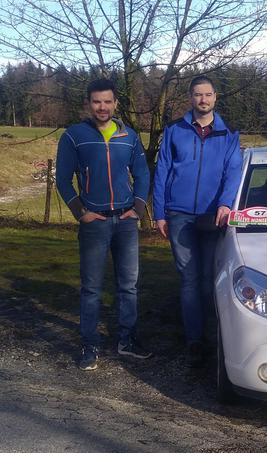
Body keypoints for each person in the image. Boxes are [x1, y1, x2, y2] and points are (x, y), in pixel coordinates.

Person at [56, 78, 152, 371]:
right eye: (97, 101)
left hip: (125, 221)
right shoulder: (74, 136)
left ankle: (127, 340)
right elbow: (62, 179)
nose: (102, 107)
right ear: (88, 103)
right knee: (91, 288)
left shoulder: (129, 136)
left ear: (115, 104)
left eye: (107, 101)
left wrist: (137, 208)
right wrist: (79, 212)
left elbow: (143, 174)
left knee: (129, 287)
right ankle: (89, 345)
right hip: (94, 222)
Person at [153, 75, 242, 368]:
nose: (202, 100)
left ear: (215, 97)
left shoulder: (229, 134)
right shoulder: (174, 131)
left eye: (207, 95)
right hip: (179, 215)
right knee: (189, 279)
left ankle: (213, 337)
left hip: (212, 216)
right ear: (190, 98)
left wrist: (226, 203)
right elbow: (163, 170)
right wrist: (159, 213)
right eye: (197, 95)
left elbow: (233, 172)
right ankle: (194, 341)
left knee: (209, 280)